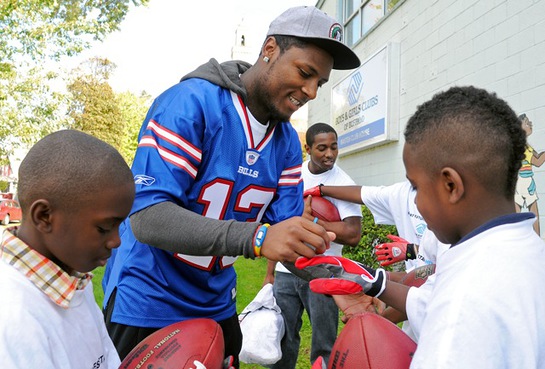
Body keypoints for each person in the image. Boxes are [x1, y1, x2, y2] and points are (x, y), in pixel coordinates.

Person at [101, 5, 361, 367]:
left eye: (320, 82)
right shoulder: (192, 102)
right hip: (149, 300)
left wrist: (343, 286)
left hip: (216, 302)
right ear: (270, 49)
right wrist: (255, 237)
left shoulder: (285, 141)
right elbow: (148, 218)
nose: (312, 91)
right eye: (305, 73)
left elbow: (290, 239)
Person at [297, 86, 545, 368]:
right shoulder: (521, 248)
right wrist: (375, 284)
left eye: (416, 187)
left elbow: (450, 309)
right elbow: (431, 300)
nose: (413, 202)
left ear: (451, 186)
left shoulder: (462, 309)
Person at [0, 130, 135, 368]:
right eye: (104, 228)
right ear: (44, 216)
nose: (116, 241)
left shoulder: (72, 282)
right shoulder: (14, 318)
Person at [264, 123, 362, 368]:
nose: (329, 154)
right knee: (282, 338)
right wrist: (270, 272)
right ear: (307, 148)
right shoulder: (293, 175)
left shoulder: (343, 183)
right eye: (322, 148)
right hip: (287, 269)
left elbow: (352, 233)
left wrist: (313, 221)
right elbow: (279, 227)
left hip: (323, 272)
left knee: (324, 343)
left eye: (334, 147)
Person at [514, 113, 545, 235]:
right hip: (524, 182)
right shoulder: (523, 148)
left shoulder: (525, 146)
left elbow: (537, 157)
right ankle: (536, 240)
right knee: (534, 215)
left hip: (522, 182)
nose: (530, 124)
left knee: (518, 214)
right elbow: (537, 162)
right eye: (526, 123)